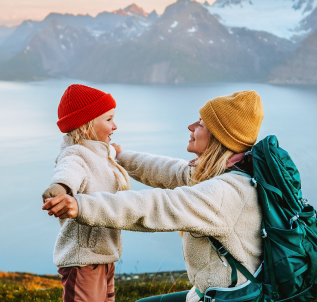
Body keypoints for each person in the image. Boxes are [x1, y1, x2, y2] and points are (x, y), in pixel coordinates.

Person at [43, 90, 264, 302]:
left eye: (201, 124)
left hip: (229, 298)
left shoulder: (224, 193)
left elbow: (157, 206)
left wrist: (81, 206)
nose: (191, 126)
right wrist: (121, 157)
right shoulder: (223, 173)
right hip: (213, 293)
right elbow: (170, 171)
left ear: (219, 138)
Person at [42, 84, 131, 302]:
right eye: (109, 119)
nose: (115, 125)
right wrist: (60, 189)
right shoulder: (76, 153)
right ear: (86, 126)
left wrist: (115, 152)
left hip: (104, 259)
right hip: (83, 262)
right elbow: (69, 170)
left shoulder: (99, 152)